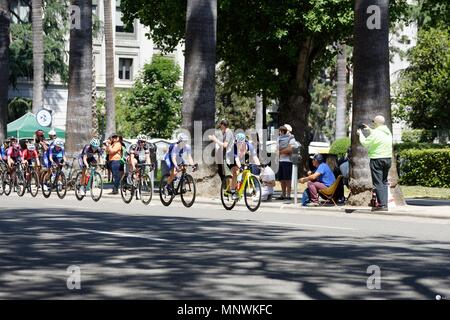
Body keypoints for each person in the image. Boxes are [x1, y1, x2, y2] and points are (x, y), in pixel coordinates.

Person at [356, 115, 393, 211]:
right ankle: (385, 203)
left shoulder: (376, 133)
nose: (372, 123)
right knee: (384, 182)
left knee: (378, 182)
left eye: (373, 122)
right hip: (388, 159)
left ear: (376, 123)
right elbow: (378, 135)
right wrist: (369, 129)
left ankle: (382, 205)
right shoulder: (387, 131)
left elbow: (365, 143)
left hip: (377, 159)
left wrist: (360, 134)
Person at [228, 132, 261, 200]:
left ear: (244, 142)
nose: (239, 144)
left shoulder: (249, 145)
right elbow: (236, 159)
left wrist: (259, 166)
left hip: (241, 158)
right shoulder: (234, 147)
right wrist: (240, 167)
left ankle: (240, 189)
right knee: (236, 172)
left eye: (241, 143)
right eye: (238, 143)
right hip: (231, 158)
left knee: (244, 173)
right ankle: (233, 192)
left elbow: (255, 157)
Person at [276, 125, 297, 200]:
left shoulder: (291, 138)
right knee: (282, 179)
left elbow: (290, 149)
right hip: (280, 161)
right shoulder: (279, 138)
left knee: (287, 179)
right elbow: (276, 148)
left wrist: (280, 151)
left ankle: (288, 195)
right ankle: (283, 194)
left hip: (288, 161)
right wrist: (283, 150)